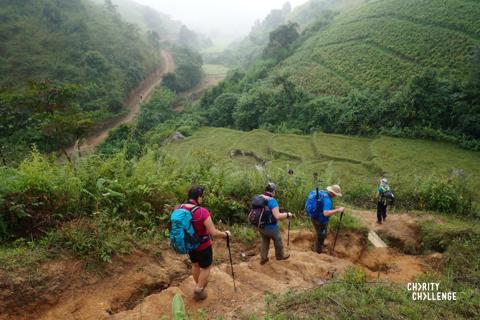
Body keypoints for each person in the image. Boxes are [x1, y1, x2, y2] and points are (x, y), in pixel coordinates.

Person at [177, 186, 231, 301]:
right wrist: (225, 234)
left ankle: (198, 284)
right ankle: (199, 289)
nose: (202, 199)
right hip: (203, 245)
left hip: (190, 245)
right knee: (206, 267)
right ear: (198, 197)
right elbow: (214, 233)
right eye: (202, 197)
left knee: (195, 264)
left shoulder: (179, 208)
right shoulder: (202, 212)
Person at [257, 183, 293, 265]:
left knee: (265, 240)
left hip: (259, 225)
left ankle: (263, 258)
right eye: (275, 191)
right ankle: (280, 256)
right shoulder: (272, 200)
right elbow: (277, 216)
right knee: (277, 239)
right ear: (272, 191)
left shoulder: (259, 197)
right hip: (270, 227)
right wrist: (288, 214)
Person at [305, 185, 345, 253]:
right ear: (333, 193)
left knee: (321, 233)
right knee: (321, 234)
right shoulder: (328, 200)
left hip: (314, 216)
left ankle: (318, 245)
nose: (336, 196)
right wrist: (337, 210)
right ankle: (318, 250)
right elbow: (326, 213)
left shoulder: (323, 193)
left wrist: (335, 208)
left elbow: (322, 206)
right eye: (336, 194)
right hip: (320, 220)